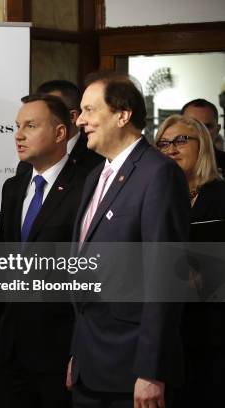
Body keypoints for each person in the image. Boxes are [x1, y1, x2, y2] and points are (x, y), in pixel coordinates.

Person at [68, 72, 189, 407]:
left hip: (132, 370)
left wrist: (152, 371)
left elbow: (165, 277)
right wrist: (77, 353)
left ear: (123, 115)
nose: (82, 121)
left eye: (90, 110)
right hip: (89, 365)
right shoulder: (96, 175)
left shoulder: (158, 174)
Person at [0, 94, 87, 407]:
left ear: (60, 133)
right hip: (11, 347)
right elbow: (1, 259)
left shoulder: (87, 186)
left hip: (60, 347)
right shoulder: (15, 185)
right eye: (17, 126)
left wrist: (81, 349)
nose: (18, 134)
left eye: (30, 126)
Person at [155, 114, 225, 407]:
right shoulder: (156, 199)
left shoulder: (221, 195)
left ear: (204, 145)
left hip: (214, 334)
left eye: (181, 140)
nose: (171, 148)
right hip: (170, 334)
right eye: (163, 143)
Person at [17, 80, 103, 176]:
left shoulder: (98, 160)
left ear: (73, 116)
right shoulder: (25, 165)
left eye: (52, 107)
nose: (18, 136)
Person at [181, 98, 225, 174]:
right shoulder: (169, 165)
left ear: (217, 130)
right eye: (193, 126)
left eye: (207, 126)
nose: (200, 132)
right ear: (180, 129)